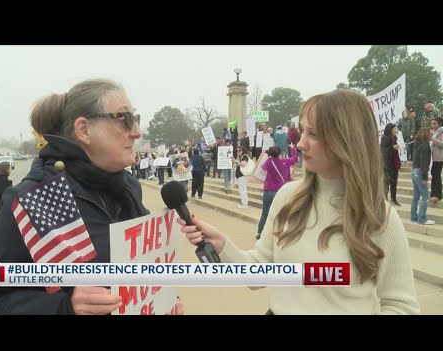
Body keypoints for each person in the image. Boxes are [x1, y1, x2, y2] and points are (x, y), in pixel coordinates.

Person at [177, 89, 420, 315]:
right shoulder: (288, 197)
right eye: (302, 131)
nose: (301, 143)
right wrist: (222, 245)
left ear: (346, 140)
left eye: (313, 134)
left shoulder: (381, 218)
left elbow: (401, 306)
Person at [0, 78, 176, 315]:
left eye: (136, 118)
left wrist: (162, 298)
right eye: (125, 119)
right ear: (84, 130)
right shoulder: (30, 201)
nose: (137, 132)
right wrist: (64, 306)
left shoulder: (128, 187)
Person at [256, 144, 297, 240]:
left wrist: (268, 155)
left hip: (268, 191)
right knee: (281, 214)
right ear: (279, 153)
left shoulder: (268, 162)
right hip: (280, 192)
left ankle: (260, 232)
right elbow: (295, 159)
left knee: (265, 213)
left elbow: (262, 167)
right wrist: (292, 148)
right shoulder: (285, 162)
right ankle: (279, 233)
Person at [411, 128, 434, 225]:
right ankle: (422, 218)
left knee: (416, 195)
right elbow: (424, 162)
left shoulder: (417, 145)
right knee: (425, 196)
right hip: (420, 172)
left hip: (414, 171)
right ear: (426, 134)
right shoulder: (425, 146)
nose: (431, 135)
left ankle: (414, 216)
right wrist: (425, 177)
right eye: (430, 133)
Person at [380, 123, 401, 206]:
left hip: (395, 162)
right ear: (390, 130)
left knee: (394, 182)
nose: (395, 131)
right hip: (388, 164)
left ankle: (393, 199)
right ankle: (384, 200)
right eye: (394, 129)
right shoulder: (385, 138)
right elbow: (384, 151)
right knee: (386, 183)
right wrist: (393, 147)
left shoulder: (394, 138)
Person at [429, 117, 443, 207]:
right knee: (434, 175)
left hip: (439, 158)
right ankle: (434, 193)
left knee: (436, 176)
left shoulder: (441, 132)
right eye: (432, 124)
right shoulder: (435, 132)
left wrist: (432, 139)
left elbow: (442, 144)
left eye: (434, 124)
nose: (433, 125)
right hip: (434, 158)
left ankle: (437, 194)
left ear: (439, 124)